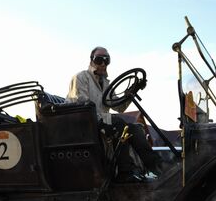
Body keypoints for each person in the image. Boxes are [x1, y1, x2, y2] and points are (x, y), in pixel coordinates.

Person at [66, 46, 162, 182]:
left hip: (103, 122)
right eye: (99, 60)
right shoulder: (81, 78)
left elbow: (118, 107)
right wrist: (102, 121)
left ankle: (158, 167)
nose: (103, 64)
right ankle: (124, 173)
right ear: (92, 60)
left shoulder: (106, 84)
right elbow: (82, 106)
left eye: (106, 60)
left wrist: (133, 91)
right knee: (119, 124)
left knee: (135, 128)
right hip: (83, 125)